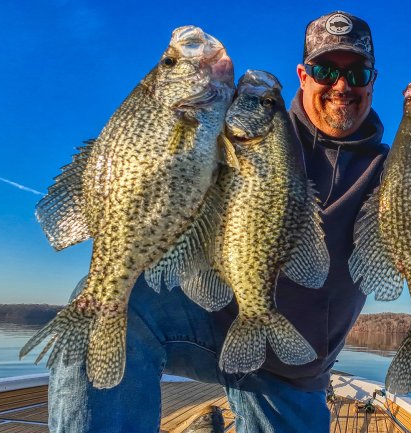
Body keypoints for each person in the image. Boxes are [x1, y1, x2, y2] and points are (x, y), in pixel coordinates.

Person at [47, 11, 389, 433]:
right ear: (303, 76)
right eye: (325, 71)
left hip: (294, 362)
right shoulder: (235, 126)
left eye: (357, 73)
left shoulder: (395, 169)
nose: (341, 86)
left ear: (372, 81)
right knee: (101, 306)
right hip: (211, 318)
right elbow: (158, 160)